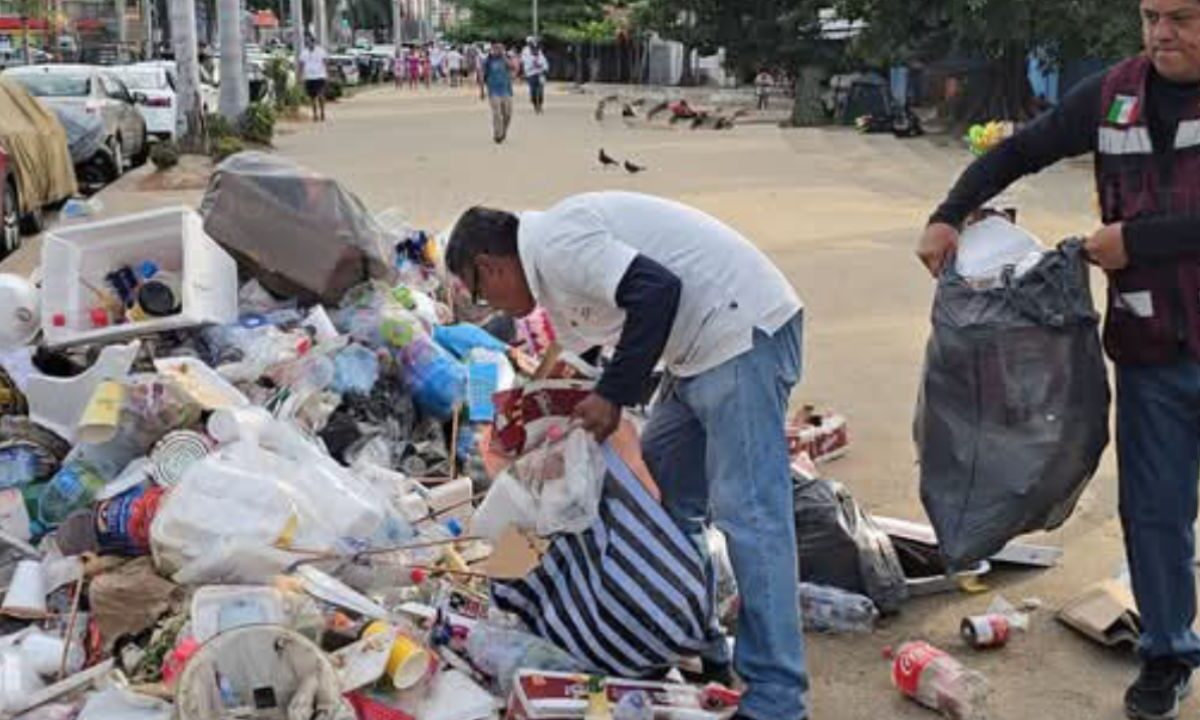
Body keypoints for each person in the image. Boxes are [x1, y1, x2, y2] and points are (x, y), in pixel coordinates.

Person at [918, 1, 1200, 718]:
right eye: (1151, 16)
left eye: (1184, 18)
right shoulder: (1113, 95)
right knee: (1156, 512)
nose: (1163, 32)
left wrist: (1139, 242)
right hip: (1151, 352)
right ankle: (1167, 652)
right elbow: (1020, 151)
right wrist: (949, 213)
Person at [444, 192, 809, 720]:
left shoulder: (557, 244)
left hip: (741, 333)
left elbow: (657, 290)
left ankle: (778, 699)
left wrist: (614, 395)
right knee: (660, 501)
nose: (492, 308)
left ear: (490, 267)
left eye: (482, 295)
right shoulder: (550, 269)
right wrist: (525, 421)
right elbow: (574, 355)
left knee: (752, 519)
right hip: (698, 352)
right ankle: (703, 640)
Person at [480, 42, 514, 143]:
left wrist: (504, 57)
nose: (498, 51)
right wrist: (482, 91)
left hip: (506, 90)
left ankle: (503, 131)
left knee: (507, 114)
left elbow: (513, 67)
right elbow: (482, 76)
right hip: (493, 91)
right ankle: (497, 134)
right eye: (496, 49)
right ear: (492, 50)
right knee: (497, 114)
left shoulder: (505, 59)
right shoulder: (488, 61)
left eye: (501, 49)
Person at [298, 36, 328, 122]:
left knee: (320, 95)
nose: (308, 44)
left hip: (320, 76)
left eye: (310, 42)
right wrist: (300, 77)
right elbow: (301, 65)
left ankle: (322, 112)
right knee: (312, 98)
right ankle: (315, 114)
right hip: (309, 77)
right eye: (307, 42)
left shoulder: (321, 51)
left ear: (314, 42)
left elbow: (325, 63)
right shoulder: (304, 53)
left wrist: (327, 74)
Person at [521, 38, 549, 113]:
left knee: (540, 90)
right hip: (531, 74)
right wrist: (533, 65)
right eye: (533, 49)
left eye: (536, 49)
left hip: (540, 74)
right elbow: (525, 64)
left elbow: (545, 65)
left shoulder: (541, 55)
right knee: (533, 91)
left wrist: (542, 67)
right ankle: (535, 105)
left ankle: (540, 105)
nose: (535, 51)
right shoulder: (526, 53)